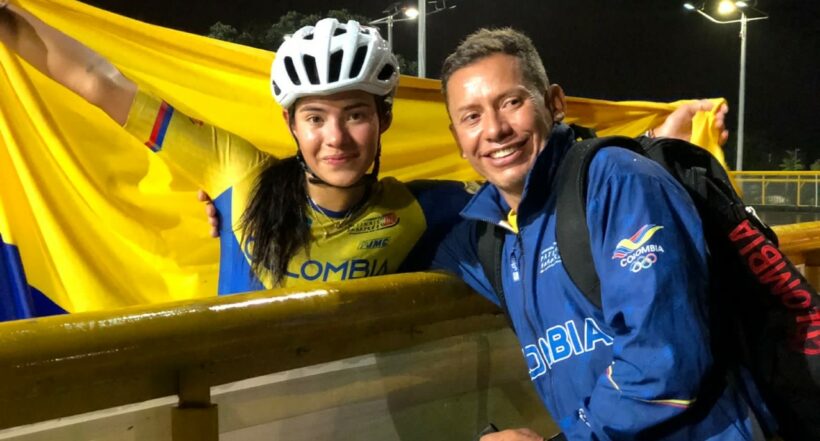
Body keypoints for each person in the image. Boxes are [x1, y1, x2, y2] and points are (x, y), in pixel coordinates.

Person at [0, 2, 721, 297]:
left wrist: (649, 149)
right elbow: (98, 80)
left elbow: (529, 181)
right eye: (315, 118)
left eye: (354, 117)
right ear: (292, 126)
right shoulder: (235, 173)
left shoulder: (424, 208)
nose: (335, 138)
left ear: (382, 123)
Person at [429, 28, 765, 440]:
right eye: (472, 116)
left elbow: (663, 364)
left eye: (511, 102)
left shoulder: (618, 181)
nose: (495, 129)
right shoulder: (485, 237)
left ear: (554, 103)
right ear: (457, 139)